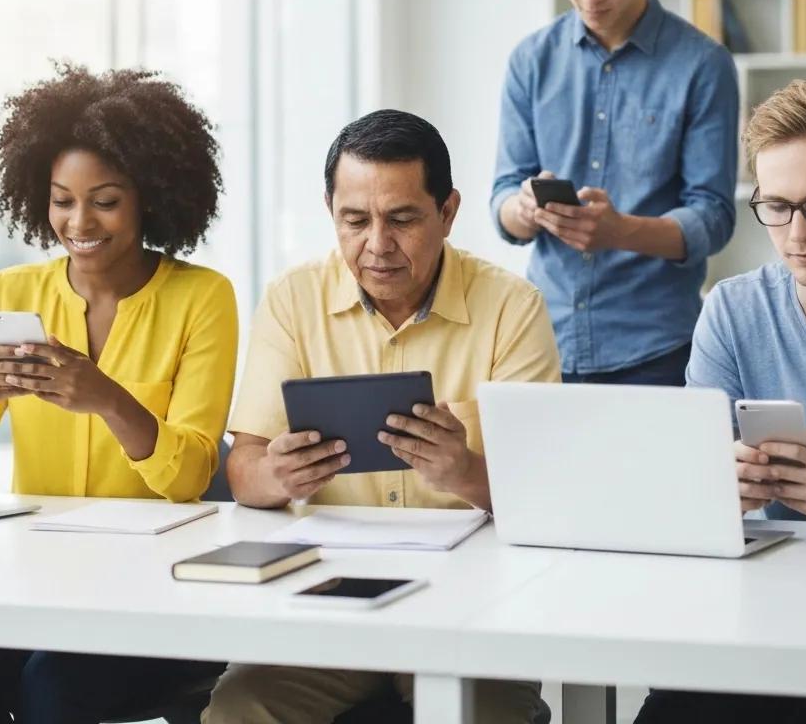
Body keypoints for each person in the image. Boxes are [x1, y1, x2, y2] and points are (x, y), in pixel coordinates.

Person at [202, 109, 561, 724]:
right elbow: (245, 470)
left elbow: (548, 497)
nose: (377, 244)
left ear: (447, 212)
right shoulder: (292, 300)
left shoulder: (512, 307)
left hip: (473, 602)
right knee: (239, 708)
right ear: (330, 211)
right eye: (355, 220)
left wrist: (464, 471)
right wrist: (277, 476)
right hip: (328, 595)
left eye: (402, 219)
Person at [0, 64, 238, 724]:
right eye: (62, 200)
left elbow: (190, 477)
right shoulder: (13, 293)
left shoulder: (202, 298)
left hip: (155, 586)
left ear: (150, 197)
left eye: (105, 200)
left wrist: (107, 398)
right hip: (38, 578)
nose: (79, 220)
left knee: (55, 687)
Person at [637, 79, 806, 724]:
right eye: (776, 206)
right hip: (762, 611)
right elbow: (684, 494)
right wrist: (719, 487)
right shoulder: (732, 309)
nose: (797, 233)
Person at [492, 0, 738, 386]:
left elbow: (714, 217)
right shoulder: (530, 62)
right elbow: (502, 201)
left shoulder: (703, 65)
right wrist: (524, 208)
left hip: (657, 351)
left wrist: (620, 231)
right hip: (542, 344)